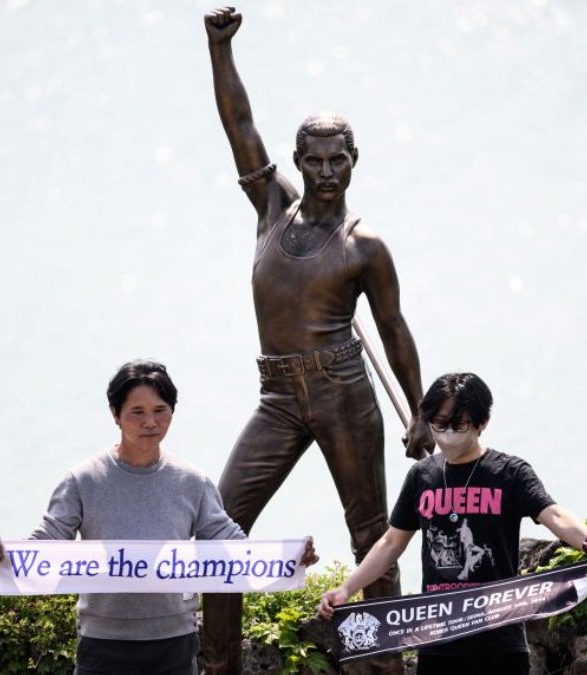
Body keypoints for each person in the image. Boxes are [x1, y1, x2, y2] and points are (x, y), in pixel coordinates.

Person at [201, 7, 433, 674]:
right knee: (220, 527)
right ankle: (217, 665)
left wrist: (418, 412)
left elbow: (393, 328)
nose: (327, 170)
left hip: (342, 392)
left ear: (354, 162)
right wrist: (220, 51)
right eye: (315, 160)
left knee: (371, 536)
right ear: (298, 161)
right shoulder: (272, 207)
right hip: (277, 393)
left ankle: (383, 667)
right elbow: (238, 125)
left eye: (338, 160)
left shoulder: (366, 246)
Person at [0, 359, 318, 675]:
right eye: (137, 412)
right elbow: (48, 540)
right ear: (115, 414)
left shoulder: (192, 482)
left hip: (174, 642)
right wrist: (6, 557)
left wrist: (287, 560)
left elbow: (230, 544)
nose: (150, 423)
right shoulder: (83, 479)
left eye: (160, 411)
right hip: (102, 642)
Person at [318, 373, 587, 675]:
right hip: (438, 640)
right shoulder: (422, 476)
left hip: (499, 640)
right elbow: (391, 543)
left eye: (459, 425)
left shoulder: (509, 472)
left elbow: (554, 515)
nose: (448, 434)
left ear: (482, 424)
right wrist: (347, 588)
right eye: (439, 425)